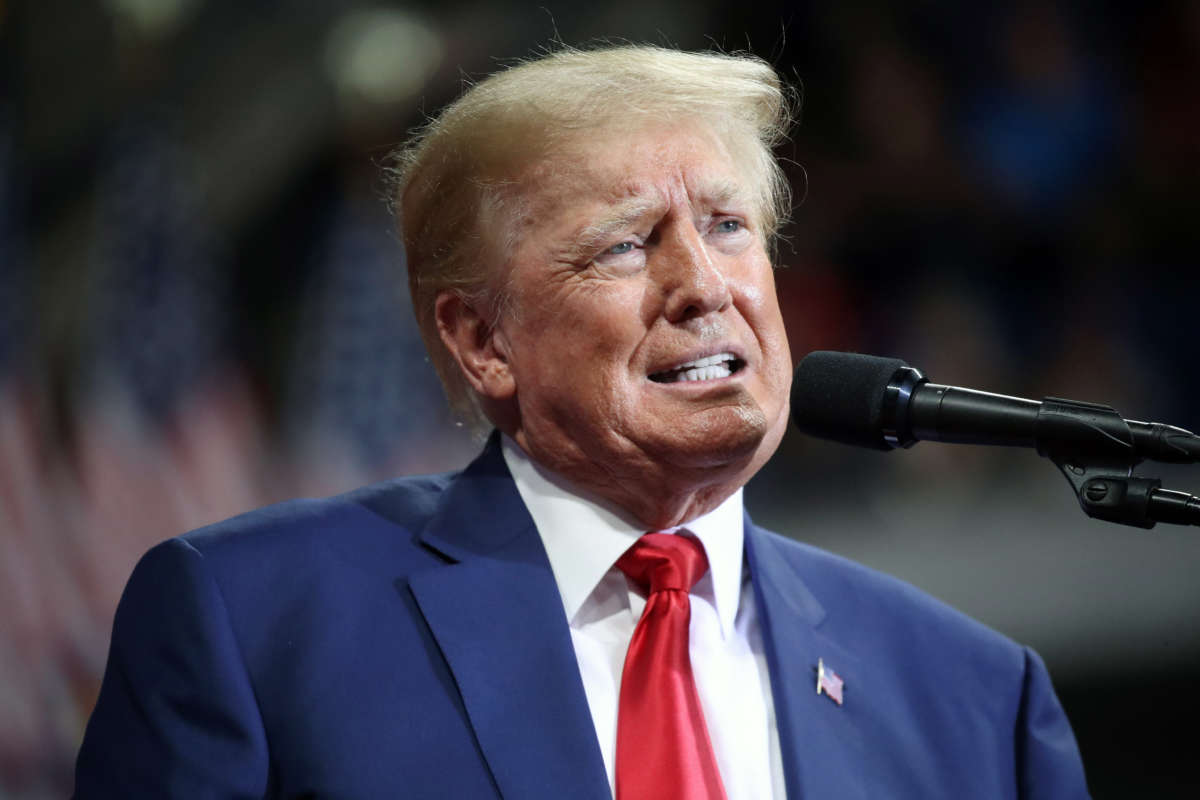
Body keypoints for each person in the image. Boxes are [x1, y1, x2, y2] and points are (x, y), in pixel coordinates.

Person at [74, 46, 1090, 798]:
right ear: (483, 340)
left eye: (729, 225)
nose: (704, 284)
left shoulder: (976, 699)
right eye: (623, 245)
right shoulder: (252, 626)